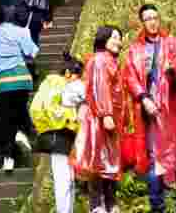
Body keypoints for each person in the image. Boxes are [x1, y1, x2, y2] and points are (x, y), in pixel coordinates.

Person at [121, 3, 176, 213]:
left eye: (155, 17)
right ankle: (157, 206)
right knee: (154, 158)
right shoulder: (135, 50)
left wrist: (172, 71)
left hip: (172, 108)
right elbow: (131, 78)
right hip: (150, 110)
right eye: (147, 18)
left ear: (159, 19)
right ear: (142, 22)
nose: (152, 21)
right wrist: (144, 98)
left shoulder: (171, 43)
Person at [70, 26, 127, 213]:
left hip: (110, 118)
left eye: (120, 38)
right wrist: (106, 113)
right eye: (115, 37)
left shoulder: (109, 61)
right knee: (98, 160)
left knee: (107, 160)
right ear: (104, 39)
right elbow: (98, 87)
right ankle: (98, 204)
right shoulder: (100, 60)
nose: (119, 41)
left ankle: (109, 202)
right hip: (100, 119)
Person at [0, 6, 40, 171]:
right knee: (20, 109)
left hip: (0, 83)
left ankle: (8, 157)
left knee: (5, 119)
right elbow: (33, 53)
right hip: (21, 80)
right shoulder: (22, 31)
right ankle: (22, 133)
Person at [32, 54, 87, 213]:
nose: (78, 78)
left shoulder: (50, 83)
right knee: (64, 180)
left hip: (53, 133)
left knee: (65, 178)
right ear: (69, 72)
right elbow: (84, 94)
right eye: (78, 74)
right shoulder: (66, 84)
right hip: (61, 134)